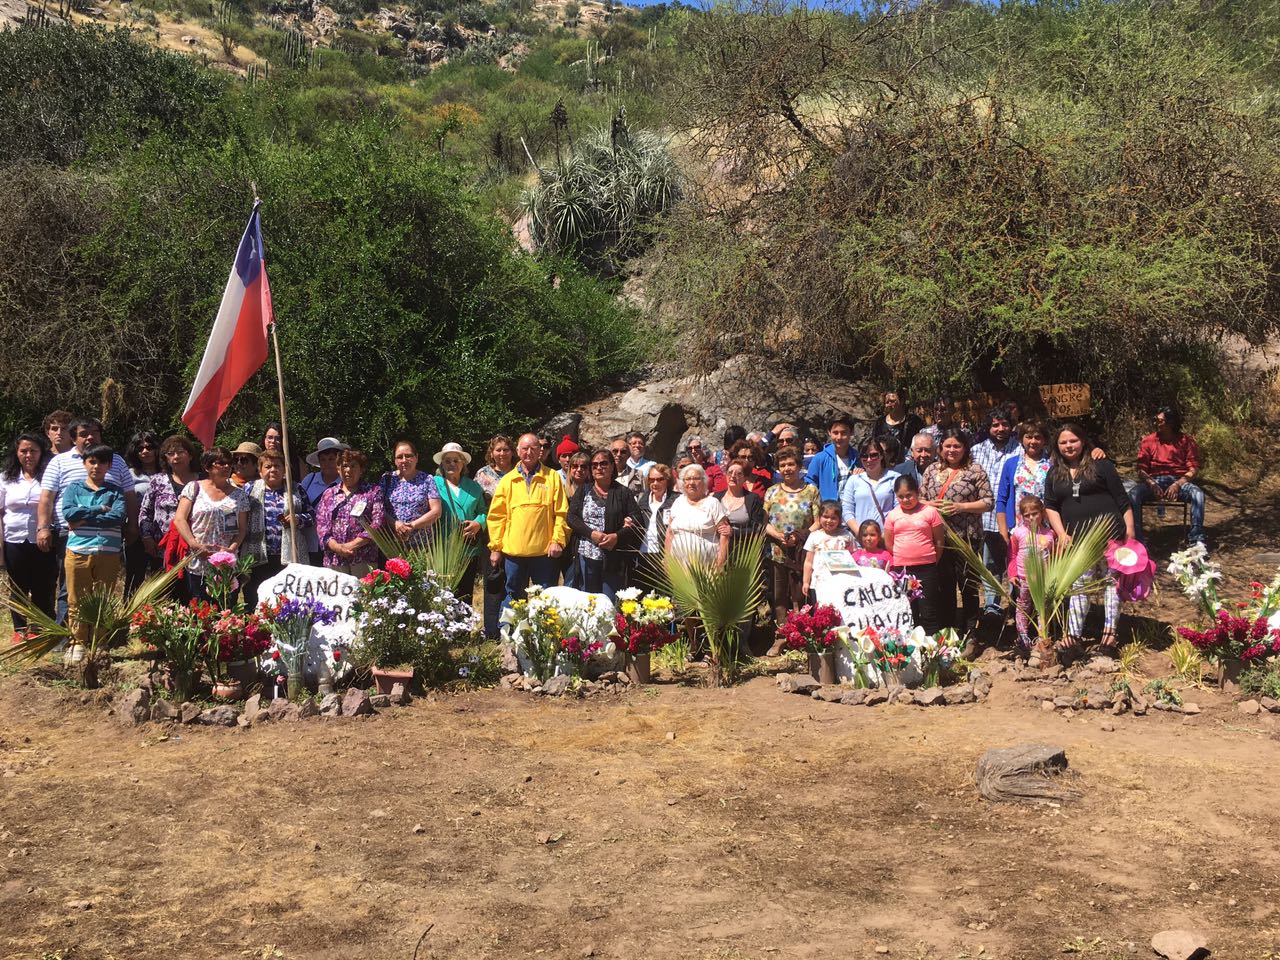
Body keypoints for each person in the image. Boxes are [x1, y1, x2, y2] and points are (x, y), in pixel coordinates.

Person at [1043, 423, 1134, 660]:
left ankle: (1110, 633)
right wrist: (1061, 534)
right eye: (1063, 442)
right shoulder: (1054, 473)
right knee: (1078, 587)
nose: (1068, 446)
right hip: (1076, 541)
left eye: (1073, 440)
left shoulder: (1101, 465)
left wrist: (1130, 531)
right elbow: (1050, 506)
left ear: (1082, 441)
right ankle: (1074, 635)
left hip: (1110, 536)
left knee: (1110, 584)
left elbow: (1122, 500)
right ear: (1057, 446)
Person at [37, 417, 137, 624]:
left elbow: (129, 497)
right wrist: (43, 528)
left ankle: (97, 636)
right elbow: (46, 497)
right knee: (70, 588)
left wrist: (132, 525)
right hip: (70, 533)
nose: (90, 437)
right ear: (73, 438)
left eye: (95, 432)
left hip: (108, 537)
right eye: (84, 434)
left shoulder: (116, 461)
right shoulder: (59, 461)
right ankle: (69, 637)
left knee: (102, 590)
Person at [922, 429, 994, 633]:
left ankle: (970, 629)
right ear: (941, 448)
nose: (952, 450)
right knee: (944, 584)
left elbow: (988, 502)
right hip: (939, 538)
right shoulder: (931, 470)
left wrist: (961, 507)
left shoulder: (975, 471)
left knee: (968, 585)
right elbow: (918, 499)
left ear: (964, 448)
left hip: (967, 537)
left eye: (957, 446)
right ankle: (949, 629)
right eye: (948, 446)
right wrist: (930, 504)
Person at [60, 444, 128, 660]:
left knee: (103, 598)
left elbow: (118, 517)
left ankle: (100, 641)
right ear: (84, 463)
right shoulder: (74, 488)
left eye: (101, 462)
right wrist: (99, 509)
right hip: (78, 550)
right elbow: (69, 514)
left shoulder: (115, 491)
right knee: (76, 599)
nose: (96, 466)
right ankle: (78, 642)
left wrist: (84, 517)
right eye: (91, 462)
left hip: (108, 551)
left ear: (108, 465)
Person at [488, 433, 569, 611]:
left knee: (547, 599)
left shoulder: (552, 477)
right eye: (525, 448)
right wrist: (495, 547)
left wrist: (558, 540)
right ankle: (510, 635)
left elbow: (561, 513)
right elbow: (496, 517)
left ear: (540, 451)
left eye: (534, 448)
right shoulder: (507, 480)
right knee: (513, 597)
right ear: (518, 451)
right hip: (514, 553)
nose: (529, 452)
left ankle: (544, 636)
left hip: (545, 552)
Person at [173, 446, 249, 603]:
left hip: (226, 565)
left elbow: (242, 529)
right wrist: (194, 545)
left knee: (225, 613)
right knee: (199, 613)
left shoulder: (239, 495)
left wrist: (232, 549)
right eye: (220, 463)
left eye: (229, 463)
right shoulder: (194, 488)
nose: (227, 466)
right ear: (207, 466)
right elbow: (179, 519)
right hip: (199, 562)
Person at [0, 433, 56, 634]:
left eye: (33, 450)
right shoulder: (6, 478)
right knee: (18, 588)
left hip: (43, 539)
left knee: (44, 585)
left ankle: (41, 628)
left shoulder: (49, 477)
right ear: (16, 453)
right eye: (23, 451)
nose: (28, 455)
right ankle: (20, 629)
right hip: (13, 539)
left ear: (41, 453)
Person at [567, 450, 641, 600]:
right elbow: (571, 517)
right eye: (594, 465)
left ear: (612, 467)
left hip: (614, 557)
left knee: (610, 600)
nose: (598, 468)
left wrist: (617, 536)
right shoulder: (583, 490)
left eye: (603, 463)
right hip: (587, 555)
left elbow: (637, 519)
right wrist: (591, 533)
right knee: (588, 601)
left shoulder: (623, 492)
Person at [970, 407, 1021, 620]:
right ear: (988, 427)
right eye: (995, 425)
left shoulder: (1022, 449)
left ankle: (1017, 603)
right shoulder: (976, 451)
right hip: (986, 519)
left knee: (1017, 563)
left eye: (1004, 424)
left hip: (1017, 518)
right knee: (990, 564)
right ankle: (992, 606)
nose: (1000, 429)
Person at [1130, 407, 1206, 547]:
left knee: (1198, 494)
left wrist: (1178, 484)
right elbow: (1141, 469)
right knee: (1134, 494)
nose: (1157, 423)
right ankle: (1137, 540)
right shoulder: (1149, 440)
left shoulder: (1186, 441)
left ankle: (1197, 540)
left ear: (1170, 423)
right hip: (1154, 479)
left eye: (1160, 421)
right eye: (1156, 420)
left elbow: (1193, 469)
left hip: (1179, 480)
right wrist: (1151, 483)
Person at [244, 449, 312, 600]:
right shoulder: (249, 489)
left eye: (277, 466)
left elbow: (312, 516)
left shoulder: (296, 488)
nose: (273, 469)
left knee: (287, 599)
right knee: (256, 597)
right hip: (258, 556)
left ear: (284, 469)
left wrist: (298, 519)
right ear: (260, 471)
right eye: (268, 466)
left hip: (289, 556)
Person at [764, 447, 819, 625]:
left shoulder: (811, 491)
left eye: (791, 464)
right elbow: (764, 522)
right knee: (779, 593)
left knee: (800, 592)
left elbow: (818, 521)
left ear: (798, 466)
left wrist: (800, 536)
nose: (787, 468)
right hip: (777, 551)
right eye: (782, 465)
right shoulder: (771, 491)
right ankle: (782, 631)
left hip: (802, 552)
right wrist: (778, 535)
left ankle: (803, 631)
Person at [883, 475, 945, 634]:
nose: (905, 500)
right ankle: (911, 646)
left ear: (917, 492)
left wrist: (931, 560)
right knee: (908, 607)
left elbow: (939, 540)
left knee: (928, 609)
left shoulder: (930, 512)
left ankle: (932, 649)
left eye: (909, 495)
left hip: (926, 569)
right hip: (903, 571)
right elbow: (889, 542)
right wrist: (902, 558)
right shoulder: (893, 515)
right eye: (901, 497)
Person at [139, 435, 201, 593]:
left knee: (194, 595)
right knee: (166, 595)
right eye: (170, 453)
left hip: (196, 547)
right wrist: (147, 537)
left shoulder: (202, 481)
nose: (176, 457)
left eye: (180, 452)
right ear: (165, 458)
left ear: (191, 455)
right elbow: (145, 511)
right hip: (163, 549)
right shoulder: (157, 481)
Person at [315, 449, 385, 576]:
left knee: (364, 594)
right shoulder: (328, 494)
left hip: (363, 558)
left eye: (353, 466)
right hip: (334, 559)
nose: (348, 470)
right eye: (344, 465)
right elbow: (321, 525)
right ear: (338, 469)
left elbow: (377, 523)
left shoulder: (373, 491)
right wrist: (337, 547)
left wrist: (351, 545)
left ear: (361, 469)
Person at [433, 443, 488, 603]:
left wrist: (478, 523)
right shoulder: (434, 484)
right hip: (444, 549)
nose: (452, 464)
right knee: (444, 595)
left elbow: (483, 511)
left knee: (465, 595)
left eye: (456, 460)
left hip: (468, 549)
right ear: (442, 464)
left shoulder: (473, 486)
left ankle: (465, 628)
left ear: (463, 463)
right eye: (448, 461)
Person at [475, 435, 515, 640]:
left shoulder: (519, 472)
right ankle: (491, 631)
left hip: (516, 533)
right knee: (493, 581)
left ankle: (510, 628)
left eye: (506, 449)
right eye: (498, 450)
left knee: (513, 581)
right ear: (491, 452)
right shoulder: (482, 475)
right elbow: (478, 505)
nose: (502, 453)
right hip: (490, 535)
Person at [1008, 495, 1055, 657]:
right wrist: (1012, 573)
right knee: (1023, 608)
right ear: (1021, 516)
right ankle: (1023, 638)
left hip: (1044, 579)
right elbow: (1012, 555)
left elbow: (1054, 555)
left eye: (1034, 513)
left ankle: (1042, 638)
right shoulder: (1018, 533)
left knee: (1042, 608)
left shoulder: (1050, 534)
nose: (1031, 518)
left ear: (1042, 512)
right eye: (1027, 515)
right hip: (1024, 578)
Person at [996, 421, 1051, 547]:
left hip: (1047, 528)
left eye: (1037, 437)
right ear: (1021, 439)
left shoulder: (1052, 464)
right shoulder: (1011, 464)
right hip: (1018, 528)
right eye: (1028, 437)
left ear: (1044, 440)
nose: (1033, 441)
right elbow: (1001, 500)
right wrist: (1004, 531)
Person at [122, 430, 163, 600]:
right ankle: (128, 618)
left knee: (160, 578)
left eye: (149, 447)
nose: (145, 451)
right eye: (140, 448)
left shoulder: (167, 473)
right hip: (136, 533)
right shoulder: (129, 474)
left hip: (162, 533)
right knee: (134, 578)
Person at [380, 441, 442, 549]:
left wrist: (412, 526)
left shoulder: (427, 479)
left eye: (408, 456)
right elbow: (378, 508)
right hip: (392, 545)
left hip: (422, 546)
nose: (404, 460)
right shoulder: (387, 479)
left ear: (416, 457)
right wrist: (395, 524)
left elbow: (436, 511)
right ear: (395, 460)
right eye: (400, 457)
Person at [664, 464, 730, 567]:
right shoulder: (678, 502)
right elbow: (669, 533)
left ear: (704, 482)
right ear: (683, 482)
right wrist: (667, 560)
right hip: (678, 567)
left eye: (695, 478)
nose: (691, 482)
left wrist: (720, 563)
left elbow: (724, 535)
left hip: (708, 567)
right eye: (687, 479)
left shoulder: (712, 503)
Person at [840, 437, 899, 545]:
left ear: (881, 455)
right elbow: (847, 510)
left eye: (874, 455)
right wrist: (862, 534)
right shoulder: (853, 480)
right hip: (860, 542)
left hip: (886, 540)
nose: (869, 460)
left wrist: (884, 536)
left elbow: (899, 510)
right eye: (864, 456)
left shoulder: (895, 479)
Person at [302, 437, 348, 565]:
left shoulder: (347, 483)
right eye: (323, 460)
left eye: (331, 459)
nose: (327, 463)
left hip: (337, 542)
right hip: (310, 542)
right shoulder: (310, 480)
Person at [801, 501, 854, 603]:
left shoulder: (847, 535)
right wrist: (806, 582)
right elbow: (808, 562)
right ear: (819, 517)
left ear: (839, 519)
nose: (829, 521)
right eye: (825, 517)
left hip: (842, 582)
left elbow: (853, 557)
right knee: (821, 612)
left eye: (833, 518)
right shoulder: (814, 536)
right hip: (819, 582)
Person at [805, 415, 861, 502]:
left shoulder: (858, 458)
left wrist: (862, 476)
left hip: (852, 510)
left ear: (851, 432)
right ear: (829, 432)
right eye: (835, 433)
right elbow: (810, 483)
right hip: (827, 511)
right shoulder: (820, 458)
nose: (839, 437)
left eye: (844, 433)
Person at [560, 451, 591, 589]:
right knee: (569, 583)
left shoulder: (594, 491)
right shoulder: (561, 490)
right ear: (570, 468)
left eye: (584, 466)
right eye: (575, 466)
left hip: (587, 542)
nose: (579, 470)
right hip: (566, 544)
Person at [636, 463, 678, 560]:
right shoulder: (641, 500)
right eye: (651, 479)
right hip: (642, 554)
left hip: (666, 554)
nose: (655, 483)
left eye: (660, 479)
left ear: (667, 481)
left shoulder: (677, 500)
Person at [872, 389, 925, 455]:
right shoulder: (879, 422)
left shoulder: (913, 421)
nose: (889, 404)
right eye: (887, 402)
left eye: (892, 401)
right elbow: (874, 442)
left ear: (902, 401)